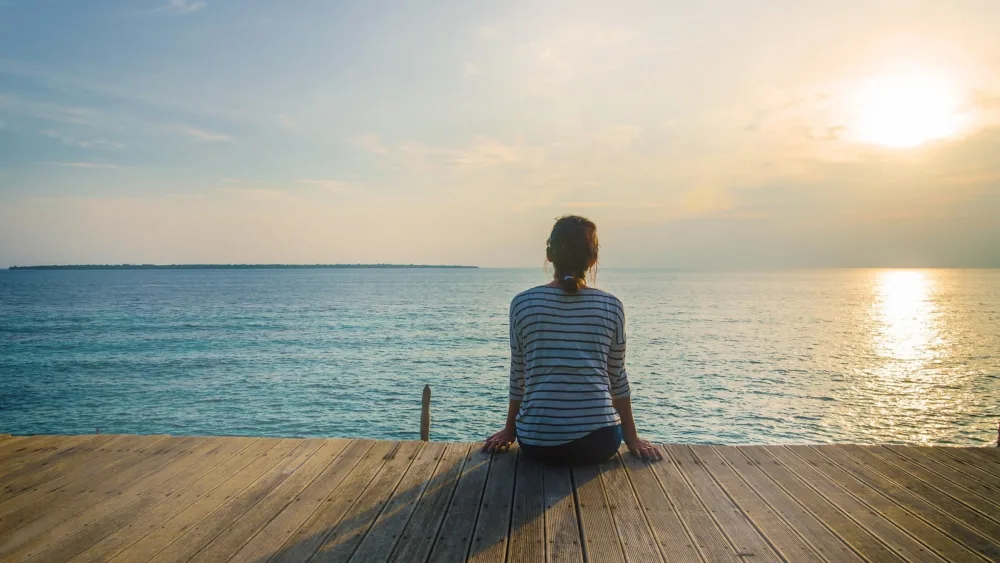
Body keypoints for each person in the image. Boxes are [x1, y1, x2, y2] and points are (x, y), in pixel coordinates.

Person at [484, 216, 662, 464]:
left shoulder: (522, 303)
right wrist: (632, 438)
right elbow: (617, 377)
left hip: (536, 442)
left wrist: (509, 430)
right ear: (593, 259)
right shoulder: (611, 306)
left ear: (549, 255)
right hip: (600, 443)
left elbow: (519, 374)